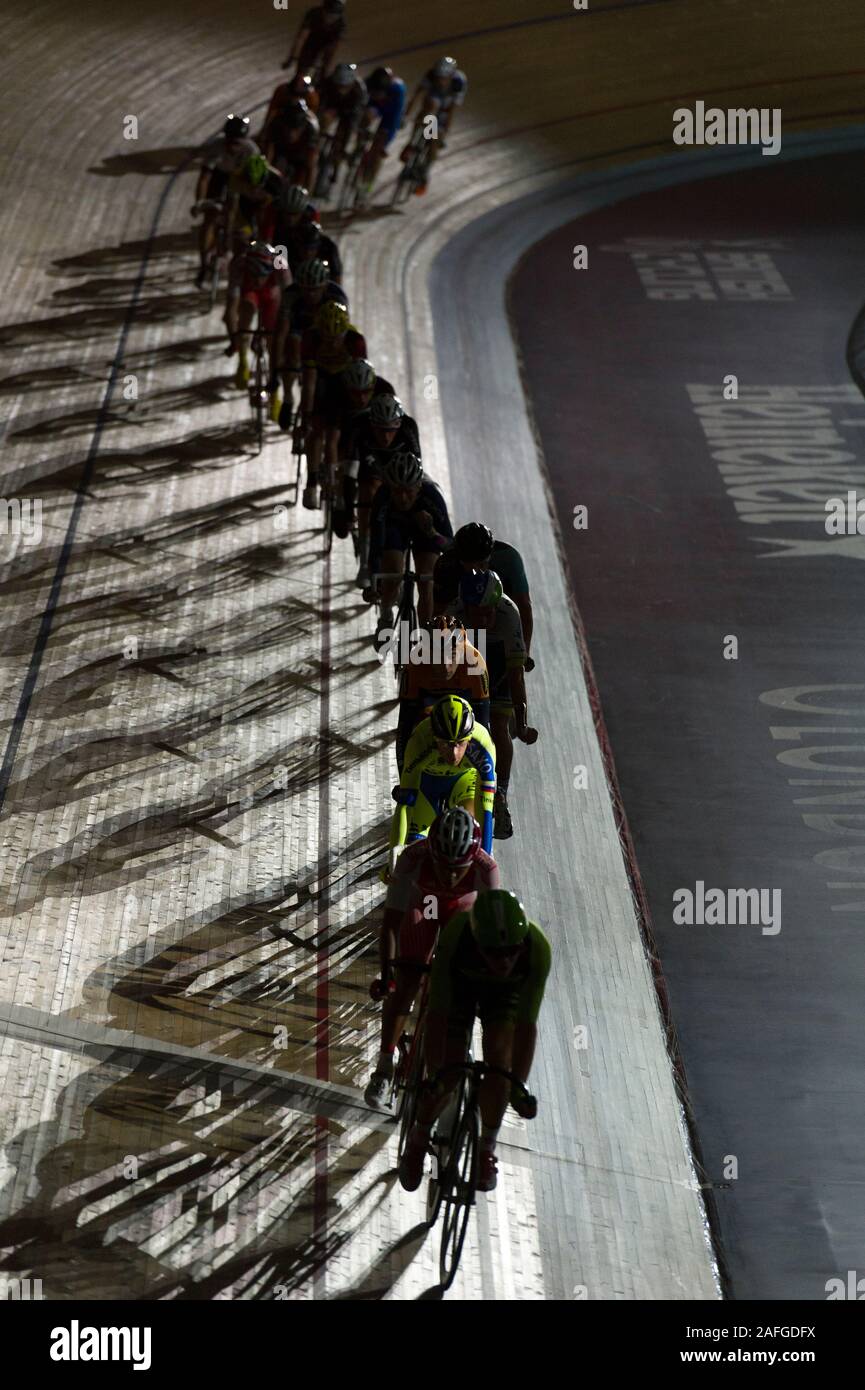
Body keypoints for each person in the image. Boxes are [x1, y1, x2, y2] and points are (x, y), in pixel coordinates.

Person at [399, 890, 550, 1193]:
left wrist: (518, 1087)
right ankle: (419, 1136)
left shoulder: (538, 949)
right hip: (459, 989)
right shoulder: (456, 936)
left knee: (500, 1066)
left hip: (505, 997)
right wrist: (435, 1076)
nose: (505, 961)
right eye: (495, 952)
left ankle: (486, 1150)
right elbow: (438, 1014)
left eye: (512, 951)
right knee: (449, 1072)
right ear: (477, 939)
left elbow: (525, 1026)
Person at [364, 808, 500, 1111]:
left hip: (461, 911)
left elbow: (489, 939)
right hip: (424, 906)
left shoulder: (486, 869)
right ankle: (384, 1067)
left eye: (458, 868)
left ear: (472, 858)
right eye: (443, 865)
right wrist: (388, 974)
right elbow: (391, 924)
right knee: (405, 984)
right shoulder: (412, 857)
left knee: (458, 982)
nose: (450, 875)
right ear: (432, 853)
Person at [447, 570, 537, 840]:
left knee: (499, 727)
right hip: (465, 665)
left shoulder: (509, 615)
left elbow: (516, 676)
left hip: (499, 669)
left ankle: (501, 795)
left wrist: (520, 722)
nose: (482, 619)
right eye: (476, 613)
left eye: (488, 613)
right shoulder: (455, 612)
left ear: (497, 606)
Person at [389, 696, 496, 870]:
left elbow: (486, 810)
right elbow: (405, 806)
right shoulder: (419, 741)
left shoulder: (483, 744)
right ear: (433, 736)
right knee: (414, 846)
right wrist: (393, 855)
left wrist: (484, 860)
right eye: (446, 744)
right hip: (427, 784)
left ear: (470, 736)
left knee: (469, 835)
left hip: (464, 782)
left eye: (460, 743)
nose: (453, 753)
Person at [368, 452, 451, 637]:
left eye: (409, 491)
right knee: (392, 573)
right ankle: (386, 616)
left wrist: (432, 533)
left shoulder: (433, 496)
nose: (403, 498)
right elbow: (376, 544)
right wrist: (373, 582)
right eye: (397, 491)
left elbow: (450, 546)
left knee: (426, 581)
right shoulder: (382, 496)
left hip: (424, 532)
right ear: (389, 487)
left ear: (419, 486)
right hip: (395, 528)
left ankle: (426, 636)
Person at [396, 614, 490, 773]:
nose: (445, 665)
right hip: (428, 723)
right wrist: (403, 773)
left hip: (461, 724)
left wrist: (487, 779)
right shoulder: (413, 665)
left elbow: (483, 730)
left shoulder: (475, 663)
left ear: (462, 651)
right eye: (437, 656)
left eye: (451, 655)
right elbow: (404, 729)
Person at [299, 300, 367, 508]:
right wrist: (307, 415)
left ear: (345, 333)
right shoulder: (311, 338)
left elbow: (361, 377)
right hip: (320, 379)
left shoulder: (356, 341)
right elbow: (309, 383)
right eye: (327, 339)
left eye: (337, 338)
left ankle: (338, 476)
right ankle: (311, 482)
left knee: (336, 434)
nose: (332, 344)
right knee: (316, 431)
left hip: (345, 382)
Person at [349, 395, 421, 588]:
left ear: (398, 424)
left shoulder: (408, 428)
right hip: (372, 469)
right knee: (368, 492)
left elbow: (417, 467)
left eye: (390, 430)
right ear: (372, 424)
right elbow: (350, 471)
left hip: (399, 471)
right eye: (381, 430)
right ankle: (364, 562)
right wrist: (345, 505)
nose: (386, 436)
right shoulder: (360, 426)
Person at [434, 522, 533, 657]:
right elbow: (439, 611)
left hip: (500, 622)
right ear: (460, 560)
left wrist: (525, 650)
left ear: (490, 557)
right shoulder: (446, 564)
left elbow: (524, 606)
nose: (476, 570)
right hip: (465, 619)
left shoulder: (509, 559)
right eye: (470, 564)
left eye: (481, 563)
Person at [274, 256, 348, 430]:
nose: (310, 295)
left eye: (315, 290)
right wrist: (274, 374)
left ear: (324, 285)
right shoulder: (290, 295)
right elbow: (280, 335)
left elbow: (341, 335)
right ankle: (288, 398)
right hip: (299, 329)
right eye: (306, 290)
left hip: (324, 333)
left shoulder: (337, 296)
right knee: (292, 347)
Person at [331, 359, 397, 538]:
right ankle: (339, 500)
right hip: (348, 433)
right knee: (344, 465)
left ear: (373, 387)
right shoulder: (337, 392)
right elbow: (333, 438)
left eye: (365, 392)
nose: (361, 398)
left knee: (372, 483)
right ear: (347, 388)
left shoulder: (385, 391)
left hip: (372, 436)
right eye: (355, 393)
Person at [193, 115, 258, 287]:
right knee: (209, 220)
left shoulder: (252, 151)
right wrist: (200, 202)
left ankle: (229, 246)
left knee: (236, 212)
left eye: (237, 143)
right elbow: (204, 178)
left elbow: (255, 182)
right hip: (219, 178)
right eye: (230, 142)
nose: (232, 147)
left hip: (240, 179)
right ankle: (203, 265)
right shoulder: (216, 148)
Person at [224, 241, 289, 406]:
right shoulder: (239, 265)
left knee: (274, 341)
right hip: (250, 293)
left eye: (263, 276)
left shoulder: (280, 264)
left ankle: (275, 393)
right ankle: (243, 360)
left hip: (272, 294)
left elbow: (290, 305)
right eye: (254, 276)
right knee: (247, 308)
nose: (259, 280)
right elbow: (230, 310)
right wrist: (235, 339)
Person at [400, 55, 467, 195]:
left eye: (443, 79)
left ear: (450, 76)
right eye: (438, 78)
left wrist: (444, 134)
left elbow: (451, 112)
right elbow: (416, 96)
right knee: (429, 108)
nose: (440, 81)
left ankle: (424, 172)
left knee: (435, 141)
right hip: (431, 105)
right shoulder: (430, 75)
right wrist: (406, 116)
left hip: (444, 111)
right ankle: (412, 143)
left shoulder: (458, 82)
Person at [354, 65, 407, 204]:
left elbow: (394, 121)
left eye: (379, 92)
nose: (377, 95)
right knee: (366, 117)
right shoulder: (367, 84)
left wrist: (382, 143)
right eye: (374, 92)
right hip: (374, 107)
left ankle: (368, 185)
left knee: (378, 149)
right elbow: (359, 109)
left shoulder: (397, 91)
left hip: (390, 114)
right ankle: (360, 149)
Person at [316, 62, 368, 194]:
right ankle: (316, 143)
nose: (341, 90)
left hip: (349, 113)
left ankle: (337, 164)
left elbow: (356, 118)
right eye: (338, 86)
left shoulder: (359, 90)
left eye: (344, 87)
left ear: (351, 84)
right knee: (324, 120)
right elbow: (318, 103)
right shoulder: (327, 83)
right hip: (333, 106)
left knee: (344, 136)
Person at [282, 0, 347, 82]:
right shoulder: (313, 14)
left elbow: (334, 50)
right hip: (311, 42)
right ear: (323, 10)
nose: (330, 19)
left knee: (324, 71)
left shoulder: (341, 24)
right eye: (328, 15)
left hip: (327, 44)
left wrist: (326, 68)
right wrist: (293, 57)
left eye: (333, 17)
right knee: (302, 70)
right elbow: (301, 38)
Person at [262, 98, 320, 187]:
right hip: (281, 148)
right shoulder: (276, 122)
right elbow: (268, 150)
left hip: (300, 153)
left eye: (296, 130)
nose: (291, 134)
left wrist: (306, 191)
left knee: (303, 172)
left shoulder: (311, 129)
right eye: (288, 129)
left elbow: (310, 165)